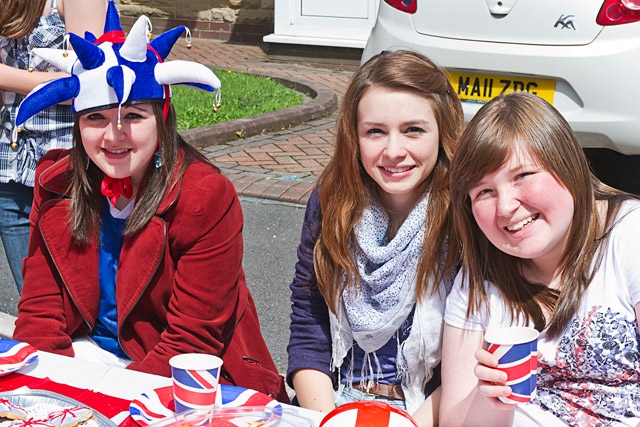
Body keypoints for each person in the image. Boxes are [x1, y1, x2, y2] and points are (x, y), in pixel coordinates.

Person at [10, 0, 289, 402]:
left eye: (134, 116)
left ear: (162, 117)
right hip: (91, 360)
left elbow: (191, 340)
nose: (114, 135)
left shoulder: (205, 197)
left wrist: (106, 405)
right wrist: (49, 396)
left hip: (185, 378)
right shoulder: (57, 183)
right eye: (95, 119)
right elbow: (40, 314)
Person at [440, 92, 640, 426]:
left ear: (567, 164)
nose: (505, 207)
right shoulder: (478, 278)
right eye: (484, 192)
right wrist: (490, 398)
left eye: (522, 176)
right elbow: (454, 421)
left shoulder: (629, 236)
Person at [286, 49, 464, 426]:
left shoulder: (465, 216)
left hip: (427, 412)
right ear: (354, 136)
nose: (394, 151)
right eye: (375, 132)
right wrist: (327, 419)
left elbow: (470, 361)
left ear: (442, 131)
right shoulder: (330, 200)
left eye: (413, 130)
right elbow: (309, 322)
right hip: (333, 404)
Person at [0, 0, 107, 293]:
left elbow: (88, 82)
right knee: (35, 301)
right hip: (10, 167)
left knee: (75, 299)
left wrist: (6, 76)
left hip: (64, 166)